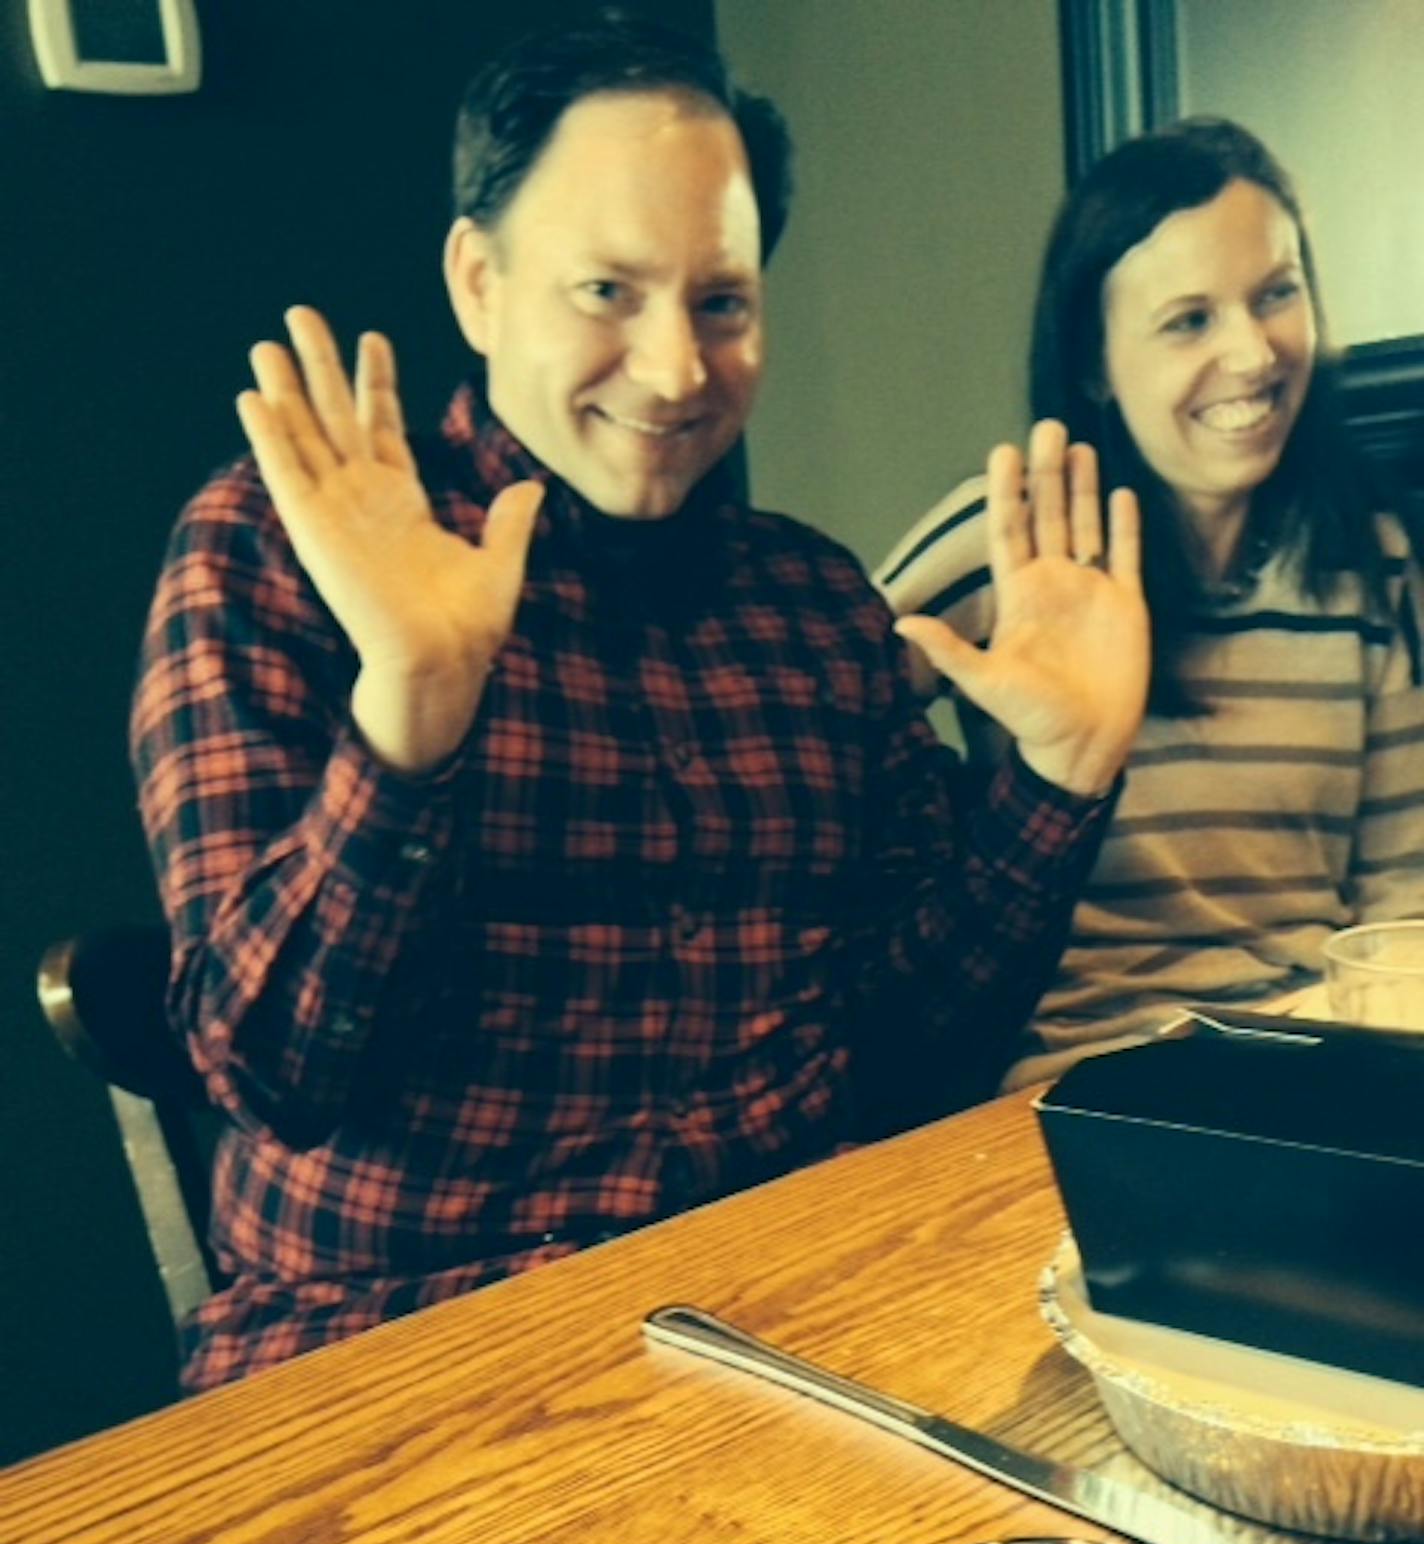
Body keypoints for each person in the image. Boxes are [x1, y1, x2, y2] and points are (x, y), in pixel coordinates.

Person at [131, 13, 1147, 1390]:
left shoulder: (813, 603)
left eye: (720, 300)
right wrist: (411, 718)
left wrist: (1059, 778)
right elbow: (273, 1071)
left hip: (784, 1311)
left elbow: (911, 1061)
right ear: (480, 282)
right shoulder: (273, 547)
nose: (675, 370)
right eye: (607, 290)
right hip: (395, 1345)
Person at [881, 117, 1424, 1089]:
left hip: (1308, 1071)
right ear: (1092, 363)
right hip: (1073, 1090)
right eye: (1188, 320)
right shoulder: (1014, 540)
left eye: (1275, 295)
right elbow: (809, 726)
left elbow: (1398, 908)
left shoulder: (1368, 562)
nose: (1253, 353)